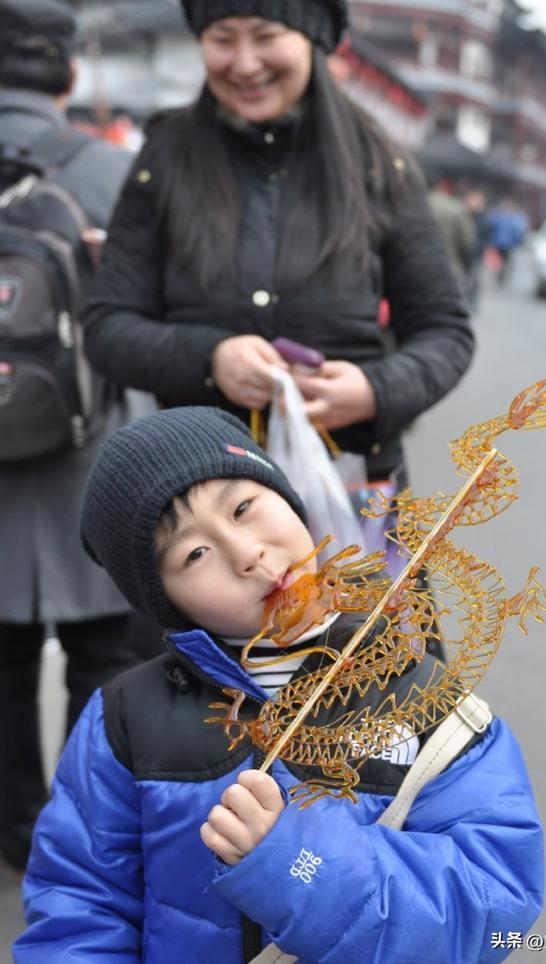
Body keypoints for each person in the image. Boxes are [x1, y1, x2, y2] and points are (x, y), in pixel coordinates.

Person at [15, 406, 544, 963]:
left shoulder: (425, 700)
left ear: (288, 498)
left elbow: (493, 910)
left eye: (243, 508)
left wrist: (294, 860)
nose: (247, 555)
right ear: (164, 602)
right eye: (194, 554)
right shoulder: (123, 720)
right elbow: (78, 909)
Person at [83, 0, 474, 491]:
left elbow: (445, 332)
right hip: (202, 497)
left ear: (312, 37)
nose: (245, 63)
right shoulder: (165, 156)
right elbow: (106, 326)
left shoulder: (377, 163)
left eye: (266, 36)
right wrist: (210, 359)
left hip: (354, 486)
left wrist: (376, 389)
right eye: (223, 39)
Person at [0, 0, 156, 873]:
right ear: (64, 76)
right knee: (104, 650)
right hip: (91, 452)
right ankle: (84, 835)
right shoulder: (110, 169)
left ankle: (13, 826)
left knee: (1, 659)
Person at [428, 178, 476, 283]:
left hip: (423, 265)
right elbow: (467, 241)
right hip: (450, 266)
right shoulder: (457, 208)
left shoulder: (421, 204)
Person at [487, 198, 528, 285]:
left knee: (503, 262)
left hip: (502, 244)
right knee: (504, 262)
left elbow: (491, 227)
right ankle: (501, 275)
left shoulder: (499, 217)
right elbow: (519, 231)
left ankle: (501, 275)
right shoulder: (514, 218)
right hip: (505, 244)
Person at [464, 187, 492, 309]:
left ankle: (472, 302)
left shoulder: (484, 219)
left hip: (476, 254)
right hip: (463, 253)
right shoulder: (463, 215)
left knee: (474, 280)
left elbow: (487, 237)